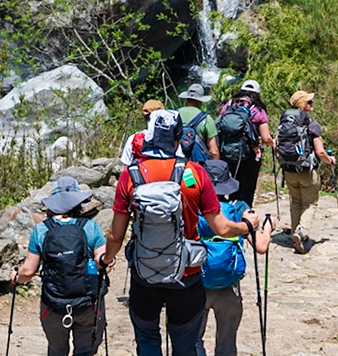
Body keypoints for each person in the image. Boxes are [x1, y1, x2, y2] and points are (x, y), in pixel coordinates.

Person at [106, 114, 254, 356]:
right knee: (185, 342)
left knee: (147, 338)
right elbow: (222, 228)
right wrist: (246, 226)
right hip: (187, 275)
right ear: (179, 140)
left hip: (145, 274)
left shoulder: (130, 175)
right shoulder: (195, 173)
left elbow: (115, 235)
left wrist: (106, 260)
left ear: (148, 136)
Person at [10, 176, 108, 356]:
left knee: (57, 351)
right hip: (88, 304)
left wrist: (16, 277)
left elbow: (29, 270)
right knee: (85, 351)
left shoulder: (42, 230)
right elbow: (105, 265)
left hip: (53, 305)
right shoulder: (91, 227)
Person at [198, 158, 272, 356]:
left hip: (196, 285)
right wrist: (267, 228)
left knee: (193, 340)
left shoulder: (192, 207)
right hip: (228, 287)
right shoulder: (238, 208)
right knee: (226, 344)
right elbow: (261, 246)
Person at [273, 90, 330, 254]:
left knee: (296, 201)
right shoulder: (312, 126)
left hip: (289, 170)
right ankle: (302, 231)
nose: (311, 105)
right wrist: (330, 160)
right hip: (307, 171)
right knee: (310, 202)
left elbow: (276, 145)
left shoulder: (284, 125)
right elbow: (320, 152)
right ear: (303, 105)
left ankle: (294, 234)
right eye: (309, 102)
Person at [215, 80, 273, 202]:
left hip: (227, 153)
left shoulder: (229, 104)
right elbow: (266, 137)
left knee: (232, 186)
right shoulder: (258, 110)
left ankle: (232, 215)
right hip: (249, 155)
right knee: (247, 189)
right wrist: (272, 142)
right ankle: (245, 217)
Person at [177, 84, 217, 161]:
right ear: (201, 101)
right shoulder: (206, 119)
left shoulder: (174, 115)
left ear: (187, 99)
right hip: (198, 165)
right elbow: (214, 151)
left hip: (177, 163)